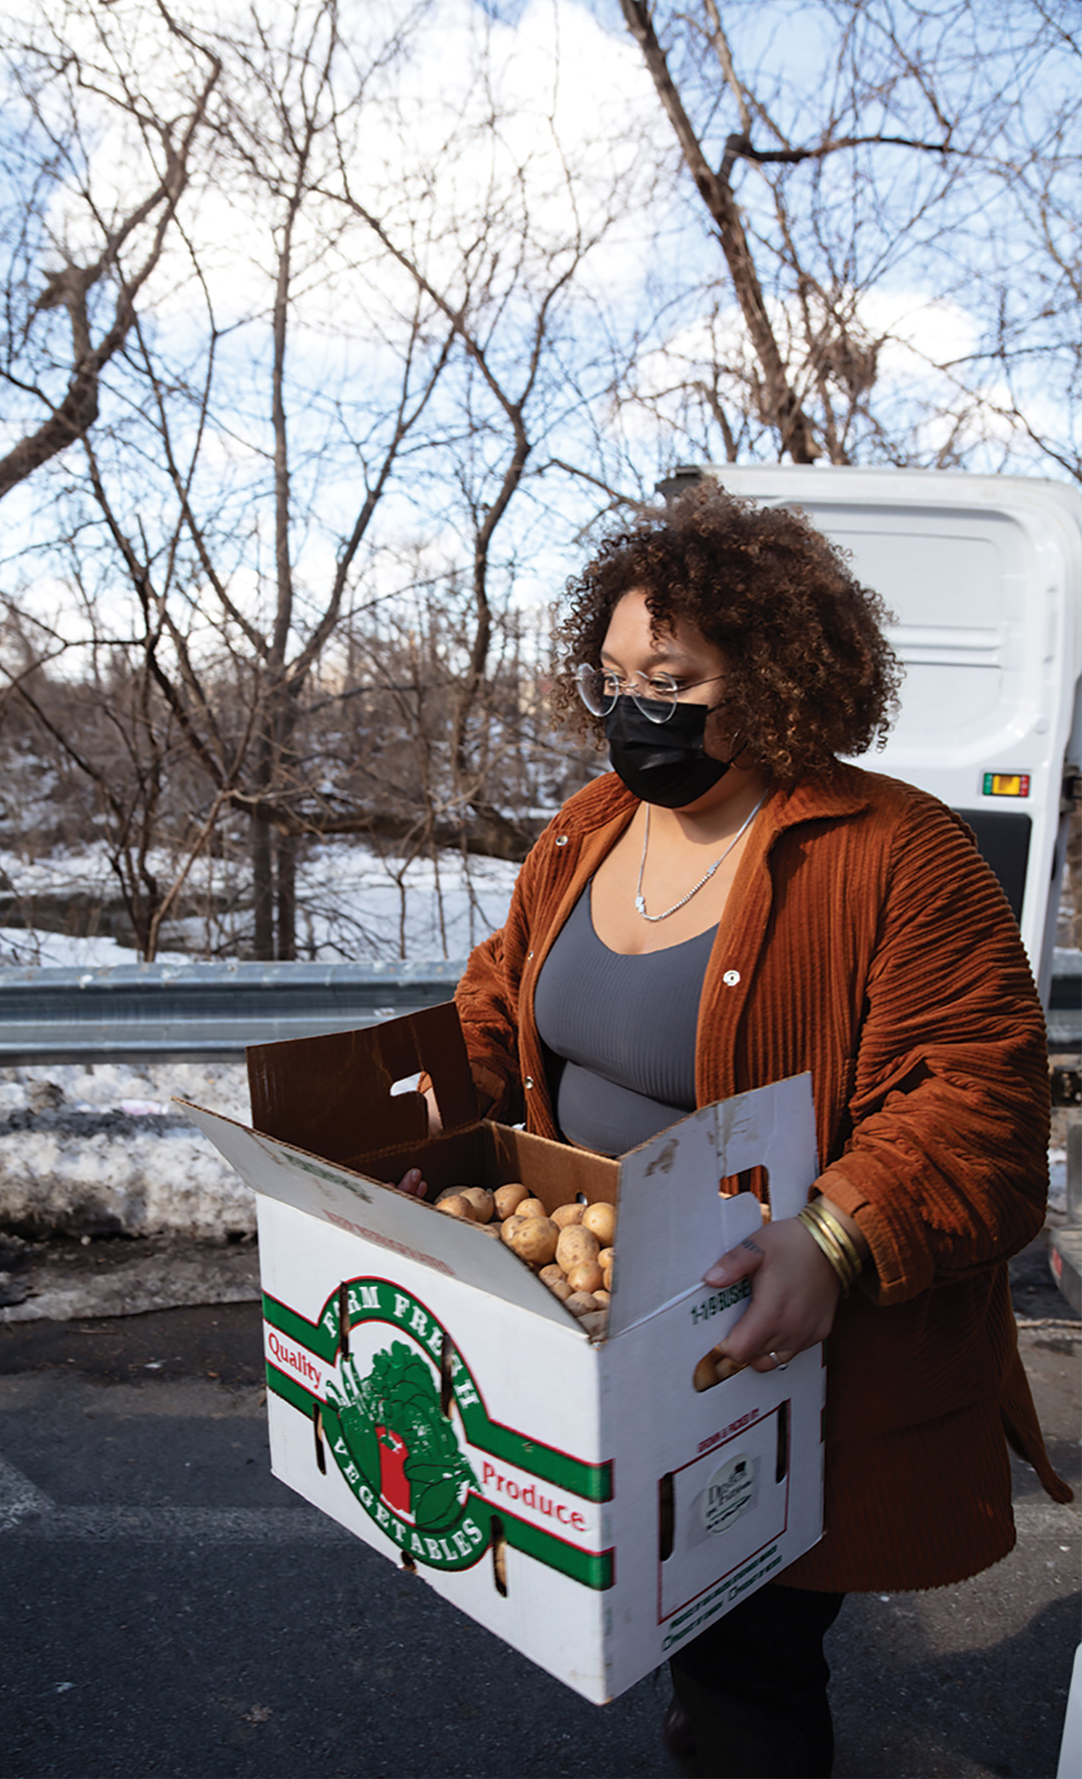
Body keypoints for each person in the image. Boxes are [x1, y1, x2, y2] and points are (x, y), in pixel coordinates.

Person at [448, 484, 1070, 1778]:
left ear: (779, 675)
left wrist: (835, 1236)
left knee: (749, 1651)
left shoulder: (895, 852)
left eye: (670, 677)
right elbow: (501, 1001)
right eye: (614, 674)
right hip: (604, 1312)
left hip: (774, 1337)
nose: (633, 709)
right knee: (684, 1605)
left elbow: (981, 1094)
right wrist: (440, 1134)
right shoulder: (588, 827)